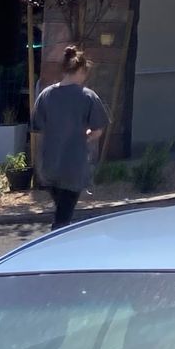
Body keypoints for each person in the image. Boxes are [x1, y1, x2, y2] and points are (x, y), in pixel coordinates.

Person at [32, 45, 109, 229]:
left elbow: (37, 128)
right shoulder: (88, 97)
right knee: (63, 218)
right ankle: (57, 249)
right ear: (81, 70)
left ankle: (58, 245)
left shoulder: (46, 95)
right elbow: (98, 130)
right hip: (74, 165)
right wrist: (85, 137)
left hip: (50, 164)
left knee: (62, 210)